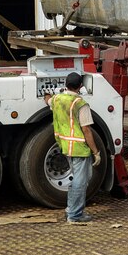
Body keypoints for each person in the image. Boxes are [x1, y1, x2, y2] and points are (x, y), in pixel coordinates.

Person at [44, 72, 101, 224]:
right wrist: (96, 152)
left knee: (80, 179)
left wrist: (47, 93)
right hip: (79, 148)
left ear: (66, 84)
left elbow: (47, 100)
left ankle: (71, 209)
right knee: (80, 182)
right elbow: (87, 130)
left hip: (65, 146)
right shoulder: (80, 104)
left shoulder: (57, 100)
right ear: (81, 87)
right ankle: (75, 215)